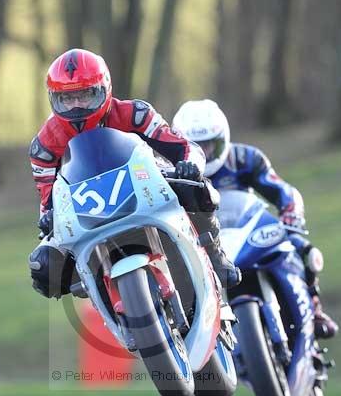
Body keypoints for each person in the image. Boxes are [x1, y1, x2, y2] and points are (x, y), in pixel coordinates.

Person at [28, 49, 241, 299]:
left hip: (145, 190)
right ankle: (98, 290)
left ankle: (215, 255)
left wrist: (188, 165)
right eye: (67, 98)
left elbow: (183, 146)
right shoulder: (44, 145)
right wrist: (48, 219)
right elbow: (47, 199)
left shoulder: (136, 113)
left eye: (85, 95)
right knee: (43, 266)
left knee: (196, 186)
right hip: (88, 212)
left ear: (104, 90)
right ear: (54, 99)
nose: (76, 106)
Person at [172, 99, 339, 339]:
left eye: (210, 146)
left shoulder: (245, 159)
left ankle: (315, 308)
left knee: (301, 248)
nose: (204, 154)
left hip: (247, 233)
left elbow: (282, 189)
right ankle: (191, 330)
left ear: (223, 139)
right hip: (205, 245)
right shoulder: (173, 171)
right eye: (196, 146)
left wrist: (291, 213)